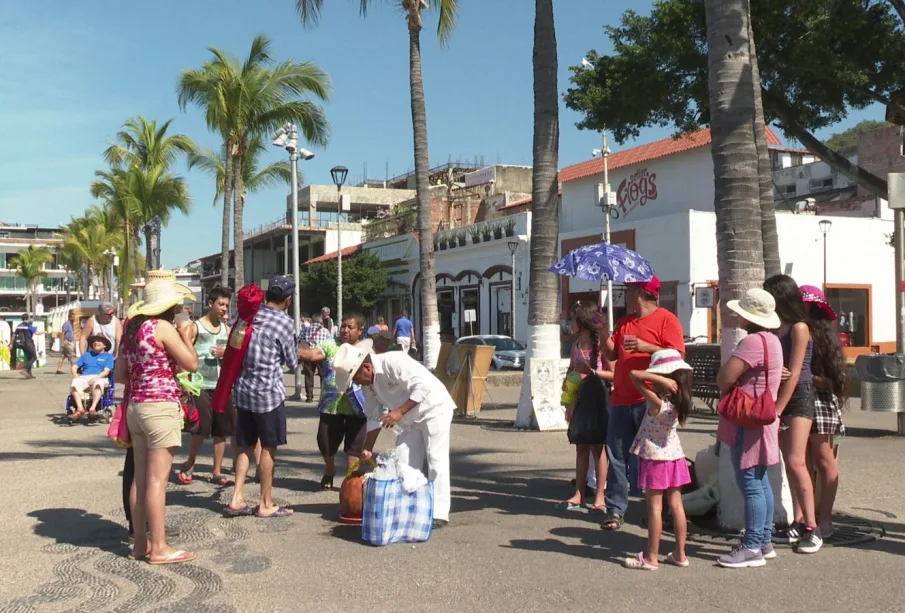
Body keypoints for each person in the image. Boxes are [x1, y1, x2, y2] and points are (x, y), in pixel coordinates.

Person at [116, 271, 198, 564]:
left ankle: (140, 543)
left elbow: (120, 375)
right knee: (157, 481)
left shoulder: (132, 331)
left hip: (136, 406)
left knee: (139, 478)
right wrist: (186, 339)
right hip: (161, 406)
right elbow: (192, 363)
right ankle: (160, 547)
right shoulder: (163, 328)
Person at [335, 341, 454, 528]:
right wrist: (367, 448)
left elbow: (422, 388)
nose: (357, 384)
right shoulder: (368, 385)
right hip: (409, 420)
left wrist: (398, 412)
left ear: (366, 368)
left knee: (435, 459)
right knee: (404, 461)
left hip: (434, 409)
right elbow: (374, 417)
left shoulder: (394, 362)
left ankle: (439, 512)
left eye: (356, 379)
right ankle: (410, 505)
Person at [600, 276, 685, 531]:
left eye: (628, 290)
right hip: (621, 398)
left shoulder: (667, 320)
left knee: (656, 458)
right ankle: (615, 510)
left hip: (650, 400)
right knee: (616, 454)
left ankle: (662, 511)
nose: (624, 294)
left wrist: (647, 346)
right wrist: (603, 331)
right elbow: (613, 353)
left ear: (640, 292)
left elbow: (678, 355)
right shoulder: (626, 321)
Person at [715, 288, 783, 568]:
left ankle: (753, 545)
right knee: (760, 480)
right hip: (763, 418)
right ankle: (763, 540)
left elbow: (725, 377)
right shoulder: (773, 341)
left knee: (750, 482)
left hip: (748, 419)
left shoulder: (752, 342)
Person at [227, 276, 298, 518]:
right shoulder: (285, 323)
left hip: (243, 391)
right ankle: (265, 503)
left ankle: (237, 497)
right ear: (288, 300)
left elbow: (235, 346)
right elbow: (292, 361)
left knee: (245, 445)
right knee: (268, 447)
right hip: (268, 395)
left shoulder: (249, 316)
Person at [764, 274, 821, 553]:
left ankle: (812, 527)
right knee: (789, 461)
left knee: (798, 461)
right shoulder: (778, 327)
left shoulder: (800, 327)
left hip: (798, 396)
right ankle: (798, 521)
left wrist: (777, 410)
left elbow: (796, 372)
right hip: (781, 393)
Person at [622, 349, 692, 570]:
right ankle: (680, 554)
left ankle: (651, 556)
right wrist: (666, 380)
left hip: (655, 458)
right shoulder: (679, 401)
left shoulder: (657, 402)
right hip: (675, 457)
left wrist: (659, 377)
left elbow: (634, 374)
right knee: (676, 506)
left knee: (654, 509)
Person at [299, 313, 369, 490]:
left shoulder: (367, 350)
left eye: (350, 327)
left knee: (354, 448)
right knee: (325, 443)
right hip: (331, 406)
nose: (345, 330)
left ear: (360, 330)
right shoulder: (331, 345)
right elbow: (313, 354)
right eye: (343, 326)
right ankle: (329, 469)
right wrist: (292, 349)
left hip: (358, 408)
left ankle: (350, 483)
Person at [800, 285, 846, 539]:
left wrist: (808, 377)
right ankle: (806, 518)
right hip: (798, 400)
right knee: (800, 461)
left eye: (807, 303)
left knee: (823, 459)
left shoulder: (825, 338)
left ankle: (825, 518)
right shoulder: (795, 329)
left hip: (820, 402)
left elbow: (835, 383)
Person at [177, 287, 235, 487]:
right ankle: (190, 464)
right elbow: (183, 352)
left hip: (221, 386)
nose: (224, 309)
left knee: (221, 430)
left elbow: (235, 355)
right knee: (201, 428)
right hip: (200, 385)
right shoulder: (195, 327)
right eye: (221, 304)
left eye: (227, 305)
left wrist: (224, 353)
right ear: (210, 304)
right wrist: (185, 381)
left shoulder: (227, 329)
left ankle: (216, 471)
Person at [559, 303, 612, 513]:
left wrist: (592, 373)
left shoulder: (601, 346)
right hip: (578, 399)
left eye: (573, 320)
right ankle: (579, 493)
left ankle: (600, 496)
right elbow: (572, 367)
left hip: (596, 399)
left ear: (582, 323)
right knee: (580, 447)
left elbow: (615, 373)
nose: (570, 323)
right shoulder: (577, 343)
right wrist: (568, 381)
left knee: (598, 449)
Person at [68, 334, 114, 420]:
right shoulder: (86, 355)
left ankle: (92, 409)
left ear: (105, 345)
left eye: (99, 341)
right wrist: (75, 375)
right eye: (94, 341)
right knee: (75, 383)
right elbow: (74, 367)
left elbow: (106, 371)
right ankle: (80, 409)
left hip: (100, 377)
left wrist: (95, 379)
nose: (96, 342)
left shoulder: (108, 357)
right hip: (84, 376)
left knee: (98, 383)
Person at [301, 315, 333, 403]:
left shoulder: (306, 329)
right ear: (320, 322)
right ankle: (324, 396)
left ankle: (309, 397)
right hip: (320, 354)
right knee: (323, 375)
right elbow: (330, 342)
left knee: (308, 376)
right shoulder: (325, 331)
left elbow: (299, 340)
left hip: (309, 355)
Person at [13, 314, 44, 378]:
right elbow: (36, 333)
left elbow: (14, 335)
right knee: (34, 357)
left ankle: (29, 374)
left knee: (29, 358)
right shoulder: (29, 326)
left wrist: (11, 343)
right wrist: (44, 332)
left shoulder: (19, 326)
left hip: (22, 344)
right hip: (29, 343)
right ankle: (25, 369)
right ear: (28, 318)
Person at [57, 310, 77, 374]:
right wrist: (62, 342)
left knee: (63, 356)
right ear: (70, 317)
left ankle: (58, 369)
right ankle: (74, 370)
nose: (74, 318)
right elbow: (63, 333)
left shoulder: (71, 325)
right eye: (73, 317)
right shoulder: (66, 324)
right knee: (72, 356)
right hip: (67, 342)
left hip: (69, 341)